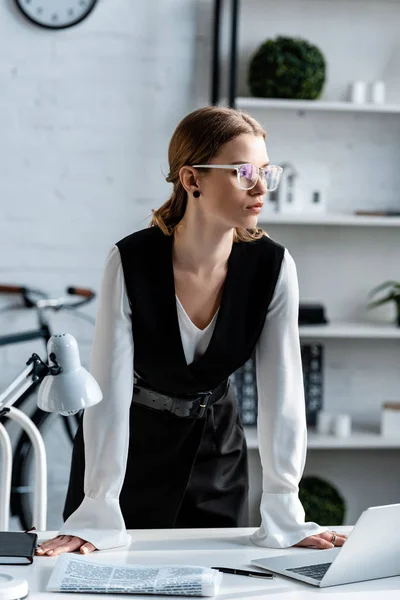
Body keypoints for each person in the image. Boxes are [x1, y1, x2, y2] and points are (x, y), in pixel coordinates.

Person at [36, 106, 347, 557]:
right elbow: (108, 389)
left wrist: (284, 508)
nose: (261, 188)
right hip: (129, 458)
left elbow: (284, 394)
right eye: (243, 172)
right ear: (191, 180)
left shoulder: (274, 267)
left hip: (218, 452)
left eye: (266, 172)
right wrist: (98, 507)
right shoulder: (130, 261)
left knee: (220, 580)